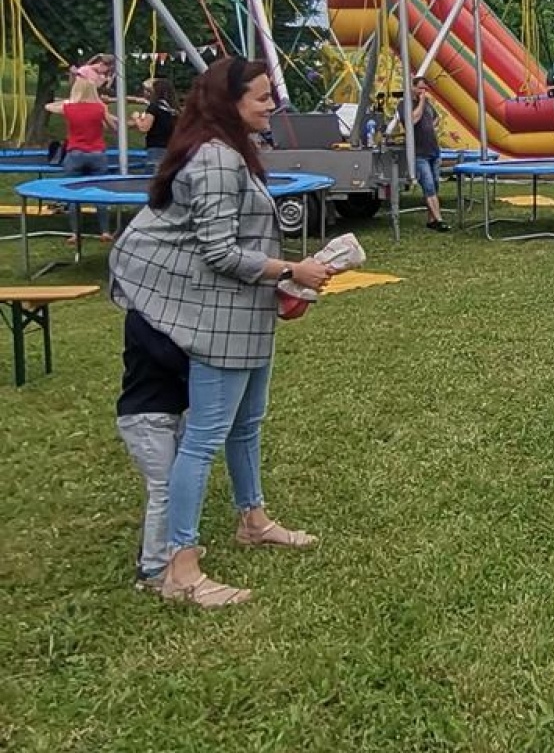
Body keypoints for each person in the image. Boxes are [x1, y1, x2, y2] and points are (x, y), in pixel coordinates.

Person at [108, 57, 338, 607]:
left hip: (243, 319)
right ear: (228, 102)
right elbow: (218, 252)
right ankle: (180, 569)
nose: (270, 106)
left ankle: (253, 520)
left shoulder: (233, 153)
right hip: (215, 325)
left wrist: (283, 285)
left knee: (245, 427)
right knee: (205, 438)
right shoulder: (214, 158)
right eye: (260, 97)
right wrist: (290, 270)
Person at [116, 310, 189, 592]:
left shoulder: (165, 311)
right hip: (145, 417)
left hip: (168, 413)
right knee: (163, 487)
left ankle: (163, 549)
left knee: (169, 485)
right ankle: (153, 569)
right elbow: (170, 357)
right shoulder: (141, 316)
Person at [45, 74, 116, 241]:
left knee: (73, 195)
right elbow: (113, 128)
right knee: (100, 193)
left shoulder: (69, 108)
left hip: (75, 153)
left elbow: (48, 106)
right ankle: (105, 231)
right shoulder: (99, 108)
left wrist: (68, 101)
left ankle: (75, 233)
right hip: (97, 154)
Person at [410, 78, 449, 232]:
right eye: (420, 88)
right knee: (429, 185)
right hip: (420, 154)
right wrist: (420, 101)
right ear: (413, 88)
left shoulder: (428, 105)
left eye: (425, 89)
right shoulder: (406, 106)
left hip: (433, 151)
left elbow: (437, 117)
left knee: (435, 185)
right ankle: (439, 220)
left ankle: (431, 219)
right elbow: (414, 119)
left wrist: (430, 127)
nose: (423, 92)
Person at [134, 77, 178, 155]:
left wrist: (136, 118)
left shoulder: (154, 107)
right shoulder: (173, 109)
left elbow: (143, 128)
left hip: (156, 148)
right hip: (172, 148)